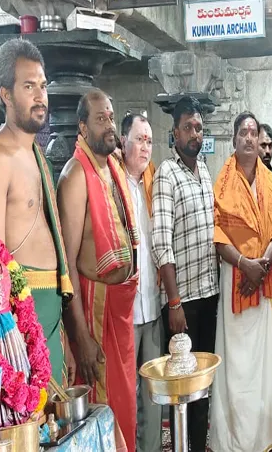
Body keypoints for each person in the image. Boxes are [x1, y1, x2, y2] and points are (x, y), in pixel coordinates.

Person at [0, 38, 73, 386]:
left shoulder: (35, 153)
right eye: (28, 86)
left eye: (43, 86)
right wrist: (9, 339)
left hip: (50, 304)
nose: (40, 96)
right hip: (19, 316)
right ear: (6, 94)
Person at [57, 89, 139, 451]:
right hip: (95, 311)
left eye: (111, 116)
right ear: (82, 127)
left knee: (126, 407)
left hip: (121, 311)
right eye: (100, 118)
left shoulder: (113, 167)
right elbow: (67, 263)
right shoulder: (76, 175)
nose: (109, 125)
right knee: (106, 410)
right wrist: (81, 335)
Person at [209, 111, 272, 452]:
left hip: (264, 279)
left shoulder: (270, 182)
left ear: (259, 140)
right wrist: (245, 264)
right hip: (235, 278)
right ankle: (233, 440)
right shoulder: (223, 180)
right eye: (242, 132)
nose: (248, 137)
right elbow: (216, 232)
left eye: (253, 132)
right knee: (235, 365)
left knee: (261, 365)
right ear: (233, 139)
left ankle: (260, 439)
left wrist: (262, 267)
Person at [152, 96, 218, 451]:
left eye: (199, 128)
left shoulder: (204, 171)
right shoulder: (167, 173)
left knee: (202, 386)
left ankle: (198, 446)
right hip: (183, 302)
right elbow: (162, 243)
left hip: (209, 295)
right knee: (181, 388)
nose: (195, 134)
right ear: (175, 133)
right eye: (188, 128)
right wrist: (174, 302)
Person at [120, 111, 164, 451]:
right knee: (126, 393)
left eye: (149, 141)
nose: (146, 147)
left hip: (153, 306)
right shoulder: (113, 183)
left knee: (153, 395)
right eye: (139, 139)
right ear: (123, 142)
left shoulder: (153, 183)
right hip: (125, 311)